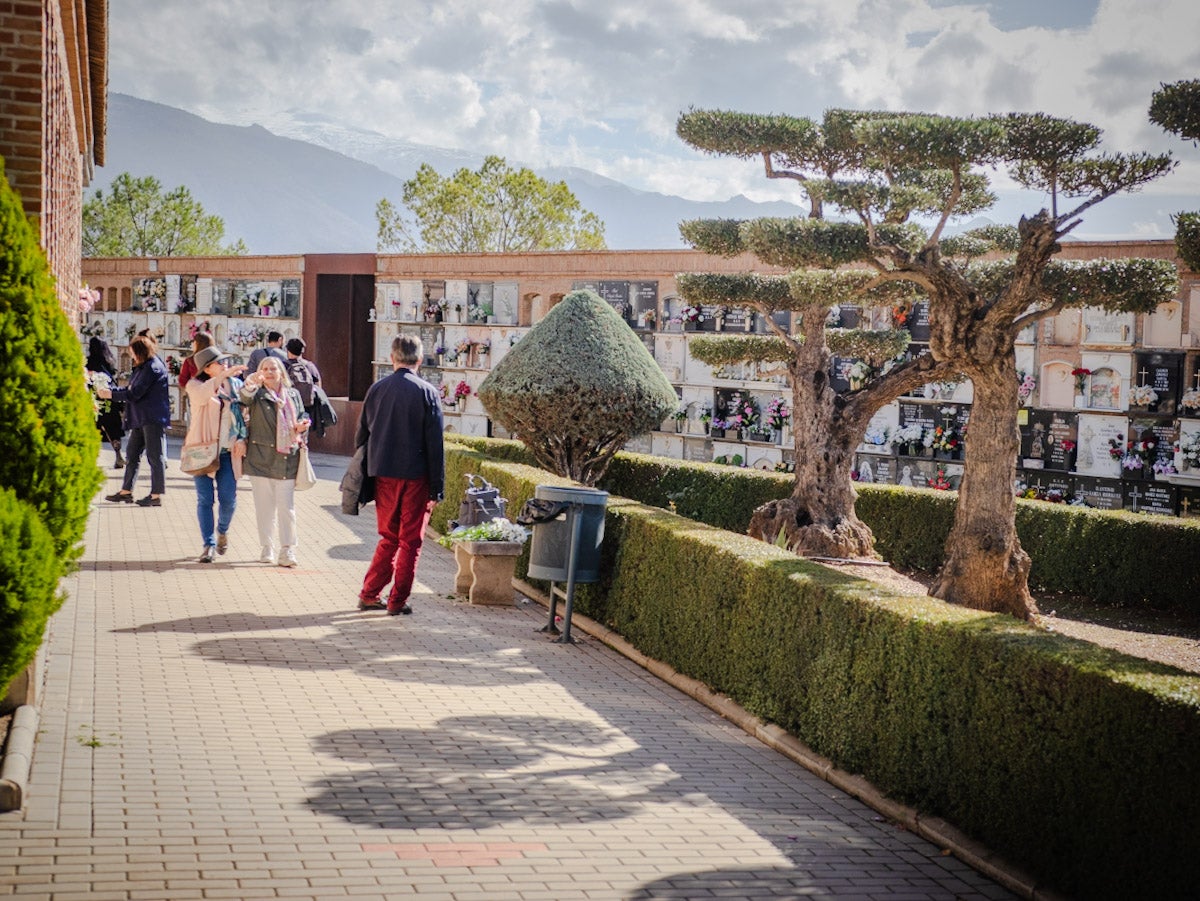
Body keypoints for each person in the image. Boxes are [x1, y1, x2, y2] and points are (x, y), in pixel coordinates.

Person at [355, 334, 444, 615]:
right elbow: (435, 445)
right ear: (419, 360)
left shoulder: (377, 389)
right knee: (410, 541)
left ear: (391, 358)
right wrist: (437, 487)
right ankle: (397, 600)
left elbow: (362, 435)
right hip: (416, 475)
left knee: (388, 537)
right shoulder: (427, 392)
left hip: (383, 473)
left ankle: (369, 594)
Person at [239, 356, 310, 567]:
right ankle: (267, 547)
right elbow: (243, 399)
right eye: (265, 369)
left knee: (286, 508)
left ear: (281, 372)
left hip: (287, 457)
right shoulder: (256, 394)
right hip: (260, 458)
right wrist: (251, 382)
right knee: (264, 508)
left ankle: (288, 550)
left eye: (273, 369)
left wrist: (304, 422)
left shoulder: (293, 394)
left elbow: (303, 412)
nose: (270, 372)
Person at [185, 346, 248, 563]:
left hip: (227, 452)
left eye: (225, 363)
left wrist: (242, 437)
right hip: (202, 451)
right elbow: (204, 396)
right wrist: (222, 377)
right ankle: (208, 544)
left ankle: (222, 530)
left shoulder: (235, 386)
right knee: (205, 499)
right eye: (220, 363)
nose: (225, 366)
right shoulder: (195, 386)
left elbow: (244, 414)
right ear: (208, 368)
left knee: (228, 500)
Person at [97, 335, 170, 506]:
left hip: (152, 418)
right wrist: (111, 390)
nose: (132, 357)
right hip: (139, 418)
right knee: (132, 455)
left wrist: (111, 395)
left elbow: (135, 393)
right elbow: (130, 388)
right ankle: (126, 491)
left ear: (141, 352)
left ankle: (156, 495)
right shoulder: (143, 367)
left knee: (155, 457)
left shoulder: (153, 368)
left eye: (133, 353)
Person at [85, 336, 126, 468]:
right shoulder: (109, 361)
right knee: (112, 427)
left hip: (95, 401)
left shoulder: (89, 362)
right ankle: (118, 453)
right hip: (110, 399)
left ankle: (91, 458)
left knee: (93, 428)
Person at [283, 337, 321, 419]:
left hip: (288, 405)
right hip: (307, 406)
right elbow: (318, 387)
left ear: (288, 350)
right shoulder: (309, 366)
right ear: (302, 351)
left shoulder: (282, 366)